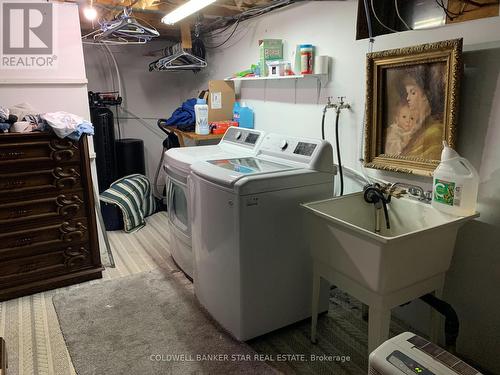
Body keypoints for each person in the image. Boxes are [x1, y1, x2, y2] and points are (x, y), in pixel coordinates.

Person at [396, 65, 445, 160]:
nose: (408, 98)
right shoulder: (419, 126)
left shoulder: (436, 131)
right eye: (407, 93)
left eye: (413, 92)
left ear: (426, 95)